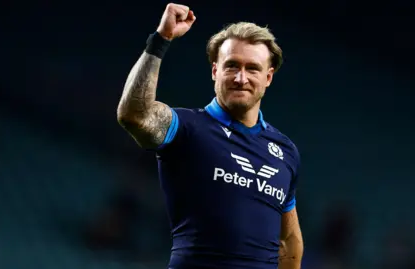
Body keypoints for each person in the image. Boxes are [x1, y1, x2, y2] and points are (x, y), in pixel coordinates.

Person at [117, 3, 303, 269]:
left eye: (252, 68)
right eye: (231, 66)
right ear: (215, 71)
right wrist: (160, 40)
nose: (241, 78)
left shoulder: (285, 150)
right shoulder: (187, 127)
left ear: (268, 77)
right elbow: (134, 114)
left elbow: (289, 239)